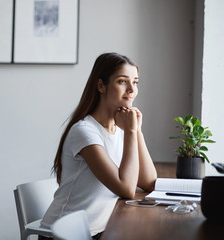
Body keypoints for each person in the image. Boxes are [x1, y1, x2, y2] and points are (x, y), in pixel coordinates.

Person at [40, 52, 157, 240]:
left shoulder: (121, 130)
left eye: (135, 82)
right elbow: (126, 189)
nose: (131, 90)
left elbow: (149, 182)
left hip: (100, 230)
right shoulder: (85, 131)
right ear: (101, 86)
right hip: (65, 234)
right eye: (122, 81)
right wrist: (131, 132)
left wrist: (137, 131)